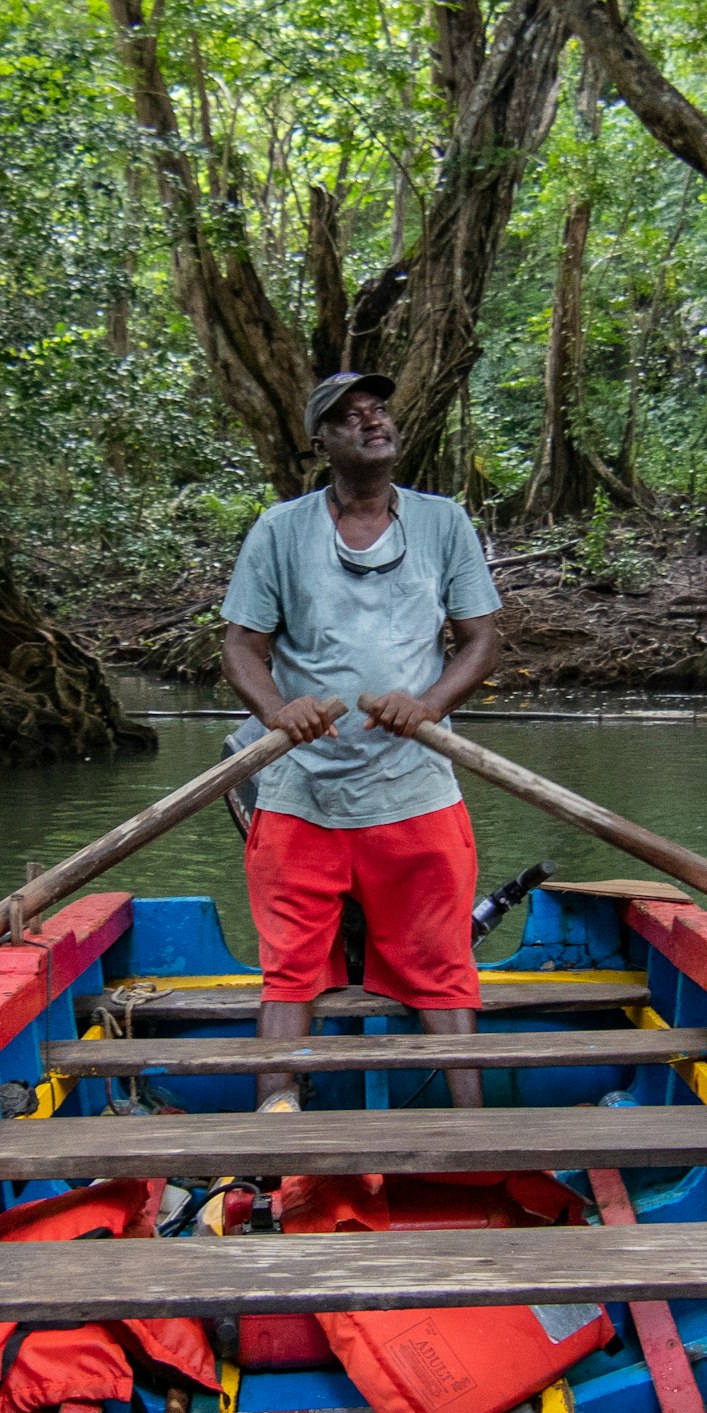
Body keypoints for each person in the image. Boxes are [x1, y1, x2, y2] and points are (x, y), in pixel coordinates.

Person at [219, 369, 503, 1110]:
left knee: (442, 966)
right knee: (289, 970)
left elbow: (480, 639)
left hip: (416, 788)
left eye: (377, 410)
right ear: (322, 444)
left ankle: (474, 1132)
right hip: (299, 791)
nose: (370, 422)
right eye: (348, 418)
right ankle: (273, 1131)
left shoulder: (444, 523)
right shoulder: (281, 529)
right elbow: (241, 646)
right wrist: (279, 711)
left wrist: (430, 705)